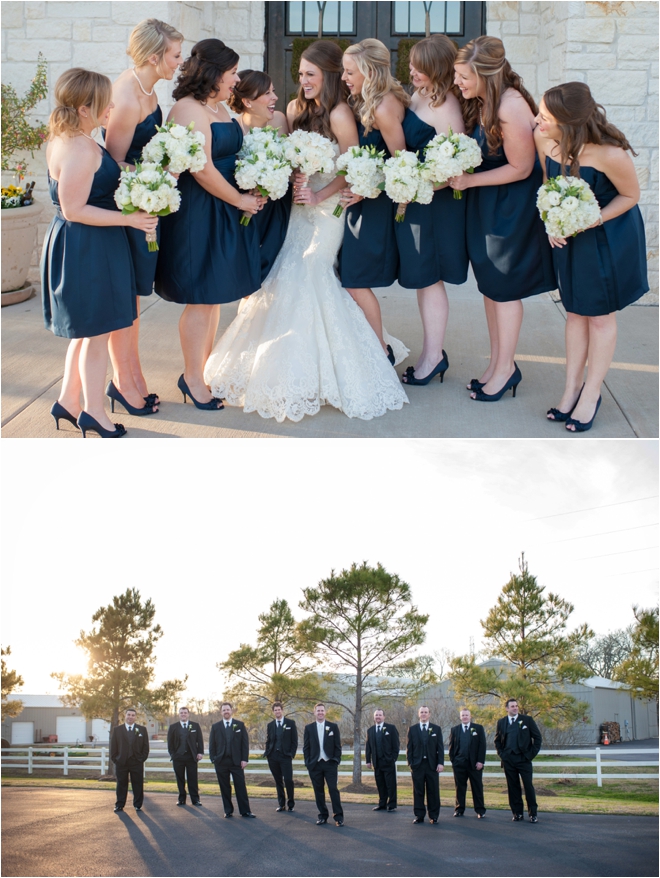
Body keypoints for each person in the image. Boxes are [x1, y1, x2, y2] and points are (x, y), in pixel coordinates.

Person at [204, 40, 408, 422]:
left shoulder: (342, 113)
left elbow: (350, 165)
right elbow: (293, 155)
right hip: (299, 208)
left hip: (328, 209)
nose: (303, 81)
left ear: (328, 75)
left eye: (310, 75)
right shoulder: (296, 109)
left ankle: (360, 355)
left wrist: (320, 194)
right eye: (300, 75)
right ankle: (284, 363)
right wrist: (295, 178)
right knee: (283, 273)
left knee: (314, 269)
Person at [41, 68, 157, 439]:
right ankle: (94, 413)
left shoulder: (79, 138)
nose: (111, 109)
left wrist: (145, 173)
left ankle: (68, 401)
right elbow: (74, 209)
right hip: (85, 247)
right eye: (104, 103)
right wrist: (131, 219)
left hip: (93, 244)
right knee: (97, 333)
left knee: (86, 331)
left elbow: (102, 174)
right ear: (85, 107)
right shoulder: (75, 146)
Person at [154, 39, 264, 410]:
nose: (236, 80)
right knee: (201, 298)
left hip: (225, 207)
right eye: (232, 73)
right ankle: (192, 378)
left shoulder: (215, 106)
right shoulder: (188, 109)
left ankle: (201, 371)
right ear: (214, 73)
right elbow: (201, 168)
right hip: (200, 212)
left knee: (214, 295)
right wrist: (241, 200)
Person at [535, 81, 648, 432]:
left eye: (545, 116)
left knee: (598, 318)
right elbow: (547, 187)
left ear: (568, 123)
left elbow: (630, 196)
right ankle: (571, 388)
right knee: (574, 313)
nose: (537, 120)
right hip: (567, 241)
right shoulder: (544, 140)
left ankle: (592, 393)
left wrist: (589, 219)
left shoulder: (609, 154)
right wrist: (552, 221)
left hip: (607, 240)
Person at [451, 36, 556, 402]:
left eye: (463, 76)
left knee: (505, 289)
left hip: (511, 207)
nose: (457, 83)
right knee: (491, 287)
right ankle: (498, 364)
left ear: (485, 74)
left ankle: (507, 367)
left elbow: (522, 167)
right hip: (489, 202)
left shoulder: (510, 106)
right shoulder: (485, 100)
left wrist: (469, 179)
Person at [104, 18, 183, 416]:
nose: (179, 61)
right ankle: (123, 382)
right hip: (128, 209)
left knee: (134, 298)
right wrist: (152, 183)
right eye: (174, 54)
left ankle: (132, 377)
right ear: (155, 56)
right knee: (126, 300)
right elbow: (114, 164)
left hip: (147, 205)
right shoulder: (126, 96)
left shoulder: (149, 89)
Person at [398, 35, 469, 387]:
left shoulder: (448, 106)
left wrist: (415, 188)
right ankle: (431, 353)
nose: (412, 72)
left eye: (420, 68)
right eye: (411, 65)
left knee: (431, 279)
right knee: (423, 281)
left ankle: (434, 357)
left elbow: (454, 167)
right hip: (418, 200)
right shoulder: (418, 95)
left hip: (436, 205)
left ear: (437, 69)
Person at [339, 39, 410, 363]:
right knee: (352, 277)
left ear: (368, 71)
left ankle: (380, 351)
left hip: (375, 205)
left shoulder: (383, 107)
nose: (344, 77)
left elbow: (402, 165)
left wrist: (367, 187)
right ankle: (374, 347)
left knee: (356, 278)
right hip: (364, 199)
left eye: (349, 71)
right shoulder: (371, 100)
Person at [228, 69, 292, 282]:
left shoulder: (280, 121)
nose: (274, 97)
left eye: (273, 91)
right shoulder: (233, 130)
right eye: (267, 93)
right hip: (248, 209)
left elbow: (289, 165)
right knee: (248, 270)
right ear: (247, 101)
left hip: (277, 207)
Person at [494, 698, 542, 823]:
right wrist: (502, 755)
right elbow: (497, 740)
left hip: (524, 759)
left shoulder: (527, 720)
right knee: (513, 787)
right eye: (512, 706)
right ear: (507, 708)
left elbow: (537, 738)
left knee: (528, 786)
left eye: (516, 706)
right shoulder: (501, 722)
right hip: (508, 760)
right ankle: (517, 813)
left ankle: (533, 814)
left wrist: (530, 755)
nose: (515, 708)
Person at [208, 702, 255, 818]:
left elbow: (245, 744)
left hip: (237, 762)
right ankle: (228, 810)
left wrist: (244, 759)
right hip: (221, 762)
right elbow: (212, 744)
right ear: (221, 712)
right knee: (224, 787)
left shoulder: (239, 725)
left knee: (240, 786)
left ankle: (245, 811)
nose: (226, 712)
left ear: (231, 710)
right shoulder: (215, 727)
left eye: (228, 709)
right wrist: (213, 759)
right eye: (224, 710)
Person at [303, 702, 344, 826]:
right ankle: (322, 816)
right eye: (318, 711)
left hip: (330, 763)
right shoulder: (308, 728)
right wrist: (308, 762)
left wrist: (336, 760)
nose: (320, 713)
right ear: (314, 712)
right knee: (318, 791)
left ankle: (338, 817)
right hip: (315, 764)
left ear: (325, 712)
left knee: (333, 789)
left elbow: (338, 746)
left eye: (322, 710)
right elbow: (306, 747)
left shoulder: (333, 727)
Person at [406, 705, 444, 824]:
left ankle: (433, 816)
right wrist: (410, 763)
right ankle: (419, 815)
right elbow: (409, 748)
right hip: (417, 765)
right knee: (418, 791)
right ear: (418, 714)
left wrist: (440, 763)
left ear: (429, 714)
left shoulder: (436, 729)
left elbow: (440, 748)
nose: (423, 714)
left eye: (425, 712)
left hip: (432, 765)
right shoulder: (412, 729)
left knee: (433, 791)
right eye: (421, 712)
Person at [448, 708, 487, 819]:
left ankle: (480, 810)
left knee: (477, 787)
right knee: (460, 787)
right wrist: (454, 761)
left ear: (470, 716)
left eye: (467, 715)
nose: (465, 717)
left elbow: (482, 746)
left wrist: (480, 761)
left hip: (474, 765)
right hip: (459, 764)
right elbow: (451, 747)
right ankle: (459, 809)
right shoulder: (455, 730)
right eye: (463, 715)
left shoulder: (478, 728)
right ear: (460, 717)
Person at [110, 708, 149, 811]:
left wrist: (141, 759)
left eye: (133, 715)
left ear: (135, 717)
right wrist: (116, 759)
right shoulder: (117, 730)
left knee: (138, 784)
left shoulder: (142, 730)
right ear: (125, 716)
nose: (130, 717)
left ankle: (137, 805)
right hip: (121, 762)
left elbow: (146, 747)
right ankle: (119, 804)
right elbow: (113, 747)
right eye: (129, 715)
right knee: (121, 784)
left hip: (136, 762)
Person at [263, 701, 298, 812]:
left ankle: (291, 803)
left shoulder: (290, 723)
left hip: (285, 756)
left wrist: (291, 754)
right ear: (273, 712)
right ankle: (281, 804)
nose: (277, 711)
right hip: (273, 756)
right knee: (278, 781)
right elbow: (269, 740)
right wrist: (268, 752)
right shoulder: (270, 725)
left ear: (282, 710)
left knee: (288, 780)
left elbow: (294, 741)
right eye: (275, 710)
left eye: (279, 709)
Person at [167, 706, 204, 807]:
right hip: (178, 757)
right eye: (181, 713)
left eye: (185, 713)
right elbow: (170, 744)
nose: (183, 714)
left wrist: (200, 752)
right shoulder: (173, 727)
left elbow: (199, 741)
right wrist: (173, 755)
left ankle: (195, 799)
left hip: (191, 757)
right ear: (179, 715)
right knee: (180, 779)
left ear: (188, 714)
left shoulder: (195, 726)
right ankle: (181, 799)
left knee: (193, 778)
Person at [365, 708, 400, 812]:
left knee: (390, 784)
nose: (378, 717)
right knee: (380, 784)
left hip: (388, 761)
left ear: (384, 717)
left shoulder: (391, 728)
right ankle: (382, 804)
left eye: (380, 715)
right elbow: (368, 747)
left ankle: (392, 804)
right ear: (374, 717)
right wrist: (368, 760)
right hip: (377, 762)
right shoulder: (370, 730)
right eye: (376, 715)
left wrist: (393, 758)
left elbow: (396, 745)